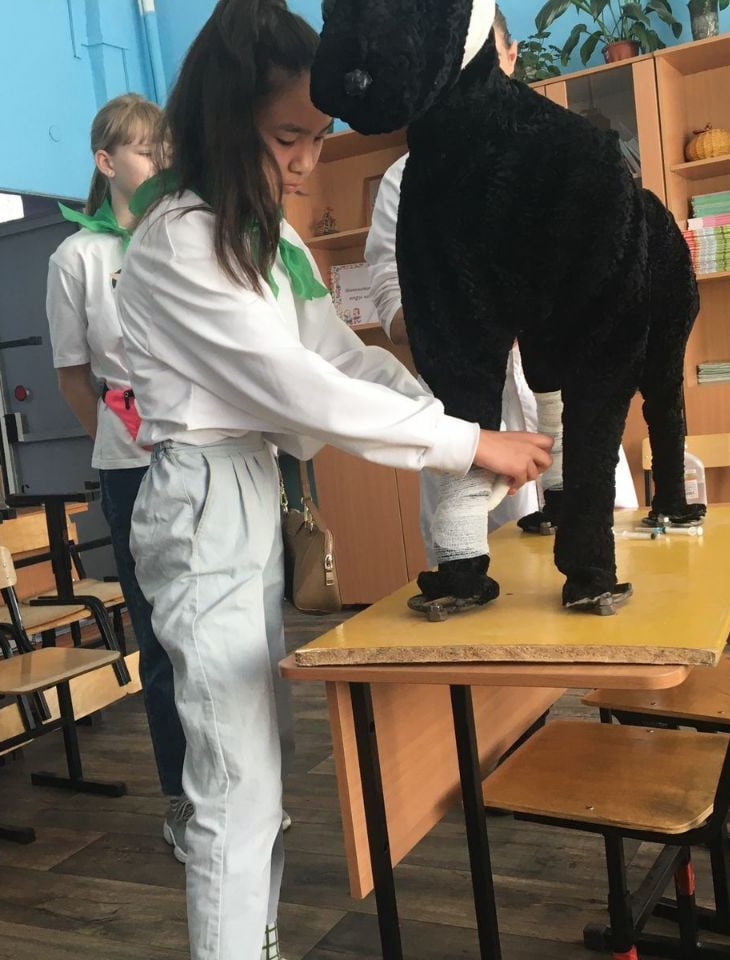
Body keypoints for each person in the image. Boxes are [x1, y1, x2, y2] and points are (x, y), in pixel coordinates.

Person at [114, 2, 552, 956]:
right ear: (226, 120)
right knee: (234, 785)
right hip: (203, 498)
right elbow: (300, 388)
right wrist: (464, 444)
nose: (308, 163)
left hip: (244, 491)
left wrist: (456, 414)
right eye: (288, 139)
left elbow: (340, 356)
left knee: (256, 770)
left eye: (318, 137)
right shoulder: (180, 241)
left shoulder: (262, 236)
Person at [364, 5, 638, 569]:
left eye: (481, 55)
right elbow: (394, 305)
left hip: (568, 403)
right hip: (470, 419)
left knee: (598, 559)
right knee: (478, 569)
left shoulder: (562, 151)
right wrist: (474, 328)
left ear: (509, 57)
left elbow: (608, 272)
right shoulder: (405, 179)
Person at [45, 93, 193, 862]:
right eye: (145, 149)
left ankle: (237, 787)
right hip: (131, 468)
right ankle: (183, 798)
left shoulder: (184, 233)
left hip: (204, 452)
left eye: (166, 148)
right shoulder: (77, 257)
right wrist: (118, 436)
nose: (162, 160)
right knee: (163, 639)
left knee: (224, 631)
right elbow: (74, 376)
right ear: (107, 161)